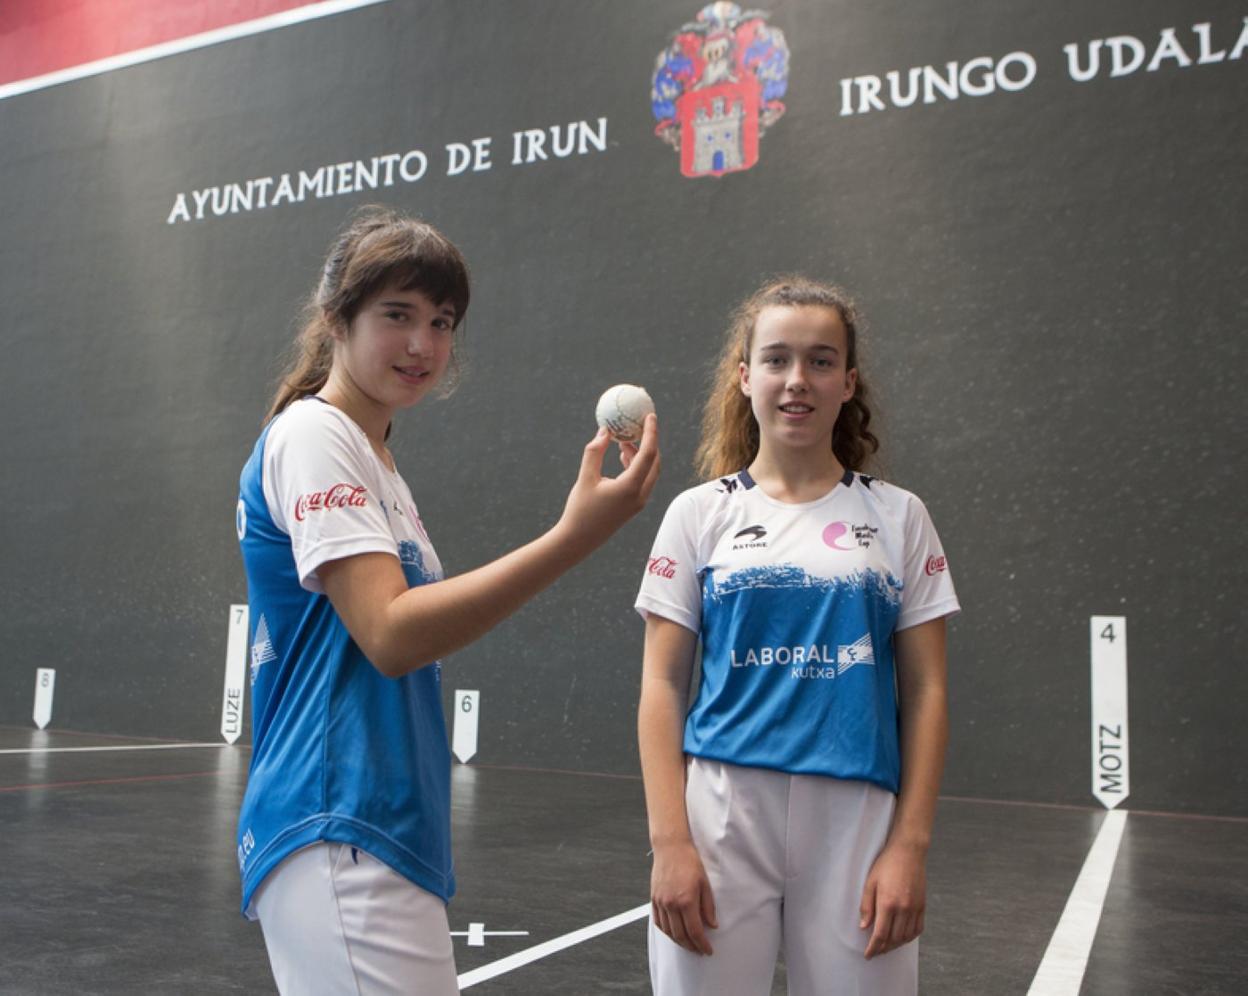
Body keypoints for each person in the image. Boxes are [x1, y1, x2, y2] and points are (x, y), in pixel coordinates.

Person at [234, 206, 659, 995]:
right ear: (336, 318)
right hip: (338, 815)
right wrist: (575, 535)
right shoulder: (313, 434)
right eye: (397, 315)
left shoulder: (377, 464)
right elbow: (391, 635)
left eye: (442, 320)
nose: (424, 344)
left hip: (386, 821)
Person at [636, 277, 958, 995]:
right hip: (721, 815)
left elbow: (929, 690)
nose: (796, 381)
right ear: (745, 376)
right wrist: (670, 845)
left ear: (848, 383)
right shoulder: (698, 515)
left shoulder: (902, 517)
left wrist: (909, 845)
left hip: (859, 822)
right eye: (777, 359)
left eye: (820, 361)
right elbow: (661, 684)